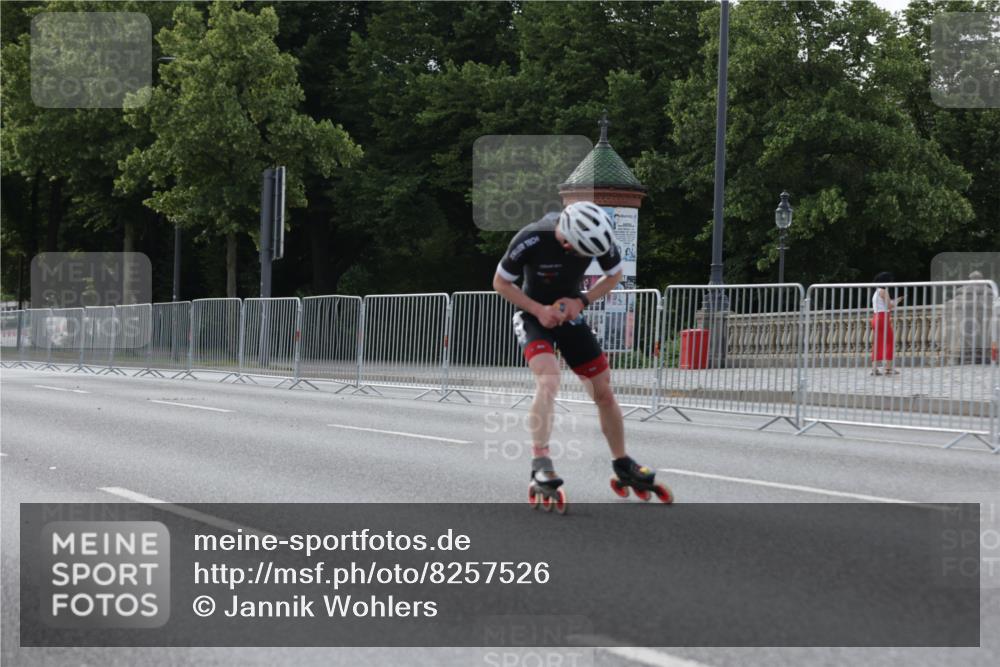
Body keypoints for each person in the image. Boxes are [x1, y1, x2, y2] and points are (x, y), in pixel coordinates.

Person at [492, 201, 669, 507]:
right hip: (533, 316)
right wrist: (538, 310)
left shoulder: (598, 236)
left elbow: (613, 275)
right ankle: (541, 464)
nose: (585, 258)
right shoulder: (531, 237)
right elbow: (500, 283)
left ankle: (622, 462)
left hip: (570, 314)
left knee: (604, 392)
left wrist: (582, 301)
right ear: (564, 239)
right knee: (549, 380)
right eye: (580, 252)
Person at [871, 271, 903, 376]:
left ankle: (874, 369)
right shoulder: (884, 291)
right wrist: (897, 301)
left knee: (877, 343)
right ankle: (888, 368)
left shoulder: (876, 291)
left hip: (876, 317)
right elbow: (889, 306)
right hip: (883, 318)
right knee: (889, 342)